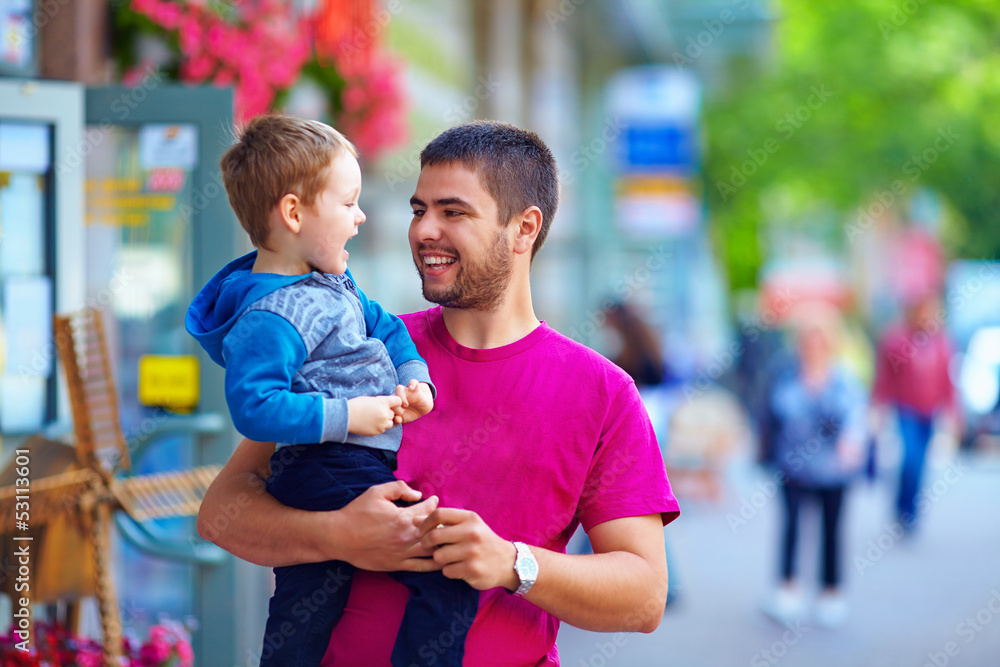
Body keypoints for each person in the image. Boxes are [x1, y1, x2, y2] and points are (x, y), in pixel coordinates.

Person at [196, 120, 680, 665]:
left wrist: (512, 562)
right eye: (418, 209)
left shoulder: (603, 392)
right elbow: (221, 513)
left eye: (453, 212)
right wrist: (336, 535)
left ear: (524, 229)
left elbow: (643, 596)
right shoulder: (352, 347)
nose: (424, 230)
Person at [185, 115, 477, 666]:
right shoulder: (270, 316)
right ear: (294, 213)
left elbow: (386, 326)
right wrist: (350, 414)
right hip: (327, 465)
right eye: (348, 204)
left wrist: (414, 378)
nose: (361, 217)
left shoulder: (333, 281)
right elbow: (255, 407)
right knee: (450, 578)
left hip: (345, 463)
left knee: (306, 607)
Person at [759, 303, 866, 628]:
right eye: (810, 338)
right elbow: (774, 411)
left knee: (832, 531)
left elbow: (857, 417)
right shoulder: (786, 374)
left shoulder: (844, 378)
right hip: (793, 466)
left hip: (834, 469)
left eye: (821, 338)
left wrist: (852, 441)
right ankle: (787, 586)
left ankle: (830, 591)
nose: (815, 344)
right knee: (791, 526)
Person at [872, 292, 960, 533]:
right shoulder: (896, 340)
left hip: (930, 410)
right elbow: (885, 378)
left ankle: (911, 511)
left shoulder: (942, 344)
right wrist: (877, 406)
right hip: (906, 408)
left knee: (920, 463)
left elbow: (948, 382)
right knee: (910, 458)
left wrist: (953, 414)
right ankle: (903, 506)